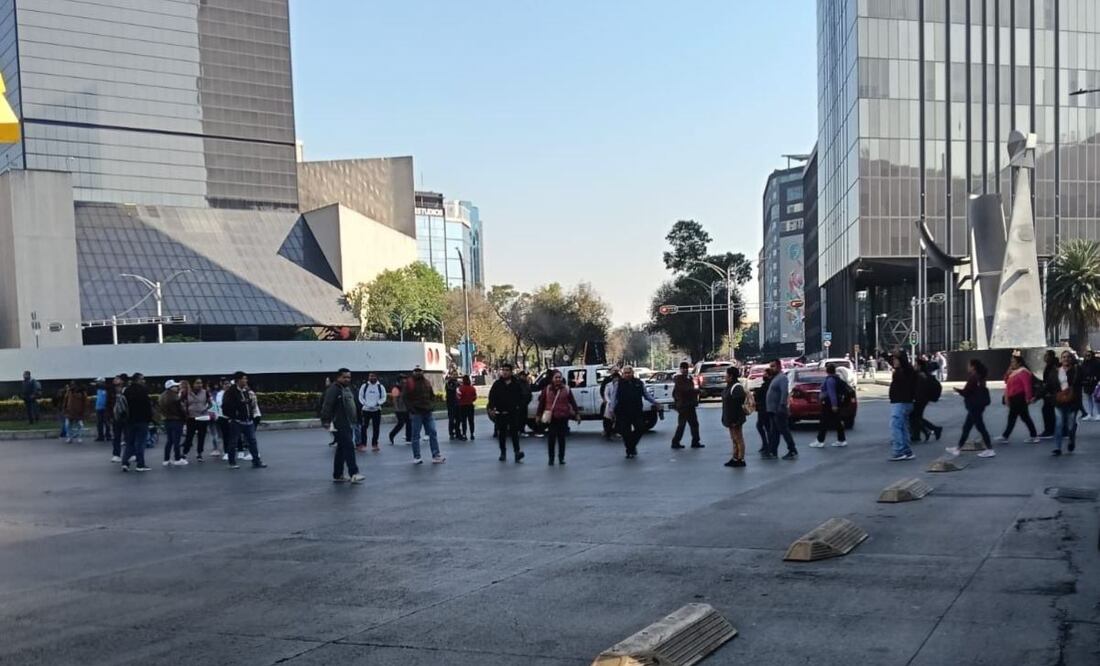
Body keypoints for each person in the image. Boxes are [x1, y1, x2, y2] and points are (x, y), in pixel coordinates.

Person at [321, 368, 365, 484]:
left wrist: (359, 419)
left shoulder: (348, 388)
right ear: (338, 377)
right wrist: (326, 420)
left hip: (348, 422)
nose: (347, 379)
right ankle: (354, 473)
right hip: (338, 423)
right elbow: (327, 405)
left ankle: (338, 474)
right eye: (344, 377)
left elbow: (354, 404)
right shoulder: (333, 389)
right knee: (349, 446)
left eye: (349, 377)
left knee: (341, 448)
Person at [607, 365, 661, 459]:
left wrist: (655, 402)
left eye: (629, 373)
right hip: (623, 411)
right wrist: (611, 409)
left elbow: (646, 395)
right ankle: (630, 450)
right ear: (622, 374)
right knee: (625, 433)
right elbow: (614, 397)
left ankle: (632, 446)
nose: (627, 375)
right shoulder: (618, 384)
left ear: (632, 373)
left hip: (636, 411)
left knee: (640, 428)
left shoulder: (638, 383)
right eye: (625, 373)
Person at [946, 359, 993, 458]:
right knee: (967, 427)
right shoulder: (981, 377)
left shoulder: (973, 377)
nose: (967, 367)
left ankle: (990, 449)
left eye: (969, 365)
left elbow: (966, 392)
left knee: (980, 427)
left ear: (973, 367)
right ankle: (958, 448)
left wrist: (957, 390)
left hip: (974, 406)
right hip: (978, 406)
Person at [221, 371, 266, 469]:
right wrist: (234, 414)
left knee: (252, 441)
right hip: (237, 421)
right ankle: (232, 462)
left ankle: (256, 461)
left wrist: (250, 411)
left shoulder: (246, 391)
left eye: (246, 379)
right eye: (244, 379)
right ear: (238, 380)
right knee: (233, 441)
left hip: (248, 420)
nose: (246, 381)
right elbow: (225, 407)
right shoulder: (230, 392)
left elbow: (248, 404)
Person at [536, 370, 580, 465]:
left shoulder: (566, 389)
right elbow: (541, 403)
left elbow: (572, 401)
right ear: (552, 379)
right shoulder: (547, 389)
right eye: (556, 377)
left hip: (563, 417)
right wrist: (538, 415)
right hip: (552, 418)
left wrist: (577, 413)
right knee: (551, 438)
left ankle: (561, 458)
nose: (558, 379)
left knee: (562, 438)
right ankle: (551, 458)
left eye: (559, 377)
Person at [488, 363, 527, 462]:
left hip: (513, 413)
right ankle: (503, 453)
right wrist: (491, 408)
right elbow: (492, 397)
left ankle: (517, 452)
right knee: (502, 434)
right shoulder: (497, 384)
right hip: (501, 413)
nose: (504, 372)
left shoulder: (516, 384)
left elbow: (524, 396)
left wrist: (519, 406)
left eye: (507, 370)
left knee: (514, 433)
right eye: (503, 370)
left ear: (511, 371)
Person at [406, 366, 445, 464]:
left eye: (419, 371)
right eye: (416, 371)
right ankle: (417, 457)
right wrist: (412, 410)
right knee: (416, 435)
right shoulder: (410, 383)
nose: (418, 372)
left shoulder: (426, 382)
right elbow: (405, 398)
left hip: (427, 412)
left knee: (433, 432)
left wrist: (432, 405)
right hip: (417, 413)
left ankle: (436, 455)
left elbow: (432, 395)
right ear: (413, 372)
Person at [999, 355, 1039, 443]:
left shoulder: (1023, 372)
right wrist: (1008, 372)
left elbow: (1027, 386)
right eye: (1011, 362)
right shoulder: (1014, 372)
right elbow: (1006, 380)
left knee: (1015, 417)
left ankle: (1006, 436)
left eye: (1013, 362)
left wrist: (1028, 398)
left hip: (1019, 397)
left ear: (1019, 363)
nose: (1011, 363)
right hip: (1014, 398)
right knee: (1023, 417)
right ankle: (1033, 435)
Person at [765, 360, 798, 460]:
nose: (771, 368)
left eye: (773, 366)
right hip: (773, 410)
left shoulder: (782, 378)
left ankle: (792, 450)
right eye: (770, 366)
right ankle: (773, 452)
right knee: (774, 432)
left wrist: (782, 405)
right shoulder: (775, 378)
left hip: (779, 410)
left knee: (784, 430)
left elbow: (784, 393)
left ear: (779, 366)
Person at [810, 362, 849, 448]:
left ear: (827, 370)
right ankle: (841, 440)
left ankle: (820, 441)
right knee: (837, 422)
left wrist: (834, 405)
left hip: (829, 403)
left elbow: (832, 393)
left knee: (824, 422)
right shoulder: (836, 378)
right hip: (833, 403)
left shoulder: (830, 380)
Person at [119, 373, 152, 472]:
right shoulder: (143, 391)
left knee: (130, 443)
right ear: (138, 380)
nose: (144, 381)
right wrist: (150, 419)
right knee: (140, 443)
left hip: (129, 421)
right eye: (142, 379)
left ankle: (125, 463)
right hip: (142, 420)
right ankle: (140, 464)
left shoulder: (127, 391)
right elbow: (147, 406)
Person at [887, 352, 917, 461]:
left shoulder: (907, 370)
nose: (893, 362)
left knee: (895, 425)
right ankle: (906, 451)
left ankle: (898, 451)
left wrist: (899, 355)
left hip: (901, 402)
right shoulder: (901, 370)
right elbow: (890, 360)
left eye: (896, 360)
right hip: (902, 402)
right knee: (903, 427)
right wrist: (884, 353)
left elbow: (904, 363)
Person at [1052, 350, 1081, 456]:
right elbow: (1050, 385)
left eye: (1068, 357)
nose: (1065, 359)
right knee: (1058, 424)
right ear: (1061, 359)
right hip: (1059, 402)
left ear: (1071, 358)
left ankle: (1071, 440)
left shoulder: (1076, 370)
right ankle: (1057, 447)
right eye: (1063, 357)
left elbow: (1079, 385)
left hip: (1072, 403)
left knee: (1070, 426)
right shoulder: (1056, 371)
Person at [670, 361, 703, 449]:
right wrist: (697, 391)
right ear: (680, 369)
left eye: (686, 368)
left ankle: (695, 441)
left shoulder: (688, 378)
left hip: (689, 405)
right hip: (683, 405)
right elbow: (685, 390)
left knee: (693, 424)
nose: (685, 370)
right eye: (683, 368)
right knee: (682, 424)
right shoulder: (679, 379)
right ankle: (675, 442)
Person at [911, 357, 943, 442]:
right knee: (916, 417)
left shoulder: (921, 375)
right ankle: (917, 435)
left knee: (914, 417)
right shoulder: (922, 374)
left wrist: (915, 399)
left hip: (920, 400)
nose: (914, 366)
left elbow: (919, 390)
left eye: (916, 364)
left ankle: (934, 429)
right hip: (923, 399)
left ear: (919, 366)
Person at [721, 366, 747, 468]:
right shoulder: (729, 386)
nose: (725, 376)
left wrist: (736, 420)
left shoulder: (736, 387)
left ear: (731, 376)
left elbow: (738, 405)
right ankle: (735, 457)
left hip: (735, 419)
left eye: (726, 374)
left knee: (738, 438)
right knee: (734, 438)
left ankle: (741, 459)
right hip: (730, 418)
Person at [182, 377, 213, 462]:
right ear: (193, 384)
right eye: (197, 383)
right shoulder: (186, 393)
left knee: (201, 436)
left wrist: (205, 409)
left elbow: (210, 404)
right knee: (189, 436)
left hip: (202, 417)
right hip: (191, 417)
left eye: (201, 383)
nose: (199, 385)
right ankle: (185, 453)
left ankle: (200, 453)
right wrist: (186, 411)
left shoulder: (205, 392)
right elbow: (182, 404)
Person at [159, 380, 187, 466]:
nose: (177, 387)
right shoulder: (175, 397)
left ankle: (166, 459)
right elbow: (181, 410)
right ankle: (177, 459)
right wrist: (185, 418)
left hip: (167, 420)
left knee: (169, 440)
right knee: (176, 441)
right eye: (175, 386)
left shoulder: (162, 396)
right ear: (171, 388)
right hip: (176, 420)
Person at [358, 372, 386, 452]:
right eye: (370, 376)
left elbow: (384, 397)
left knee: (376, 428)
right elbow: (360, 396)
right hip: (366, 410)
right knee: (364, 427)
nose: (371, 377)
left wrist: (378, 403)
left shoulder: (380, 387)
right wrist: (365, 403)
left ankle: (375, 444)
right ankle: (363, 444)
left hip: (376, 410)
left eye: (373, 376)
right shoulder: (364, 386)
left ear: (376, 377)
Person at [754, 366, 775, 455]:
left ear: (769, 375)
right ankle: (767, 444)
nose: (763, 375)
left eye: (765, 374)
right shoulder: (767, 384)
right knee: (763, 426)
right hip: (763, 408)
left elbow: (760, 394)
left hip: (765, 409)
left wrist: (756, 393)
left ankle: (768, 445)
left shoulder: (768, 384)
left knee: (764, 426)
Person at [1039, 350, 1058, 438]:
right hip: (1049, 392)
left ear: (1050, 357)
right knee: (1049, 410)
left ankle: (1049, 430)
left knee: (1047, 410)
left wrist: (1049, 391)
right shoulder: (1049, 366)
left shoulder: (1052, 367)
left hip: (1051, 393)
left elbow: (1052, 381)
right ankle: (1051, 430)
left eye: (1046, 355)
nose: (1044, 357)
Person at [388, 374, 412, 445]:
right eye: (402, 379)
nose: (404, 381)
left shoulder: (407, 388)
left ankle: (409, 438)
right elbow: (395, 400)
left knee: (409, 423)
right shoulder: (396, 389)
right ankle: (392, 434)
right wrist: (397, 409)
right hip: (399, 410)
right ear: (399, 380)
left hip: (407, 409)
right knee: (401, 423)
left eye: (405, 379)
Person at [109, 375, 126, 462]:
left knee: (128, 436)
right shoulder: (111, 391)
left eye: (117, 379)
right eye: (115, 379)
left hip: (125, 416)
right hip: (115, 416)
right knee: (116, 436)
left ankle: (131, 454)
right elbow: (108, 404)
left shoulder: (126, 390)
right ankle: (116, 454)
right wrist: (109, 416)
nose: (115, 380)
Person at [600, 367, 621, 440]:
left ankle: (617, 431)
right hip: (608, 402)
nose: (615, 371)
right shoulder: (607, 381)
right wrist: (606, 400)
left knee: (618, 417)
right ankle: (607, 431)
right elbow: (604, 391)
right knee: (607, 418)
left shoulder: (621, 381)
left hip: (618, 403)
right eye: (614, 370)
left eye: (617, 370)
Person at [1079, 350, 1100, 421]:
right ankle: (1090, 414)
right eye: (1086, 355)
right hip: (1086, 383)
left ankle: (1098, 413)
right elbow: (1081, 372)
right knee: (1089, 399)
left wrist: (1097, 379)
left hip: (1095, 383)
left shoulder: (1096, 363)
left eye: (1089, 355)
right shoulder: (1084, 364)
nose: (1087, 357)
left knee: (1096, 399)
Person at [214, 378, 232, 458]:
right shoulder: (220, 394)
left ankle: (237, 451)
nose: (227, 385)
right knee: (225, 435)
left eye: (228, 383)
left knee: (234, 435)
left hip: (232, 417)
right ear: (222, 385)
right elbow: (218, 405)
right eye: (225, 384)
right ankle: (227, 452)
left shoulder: (233, 393)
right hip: (223, 417)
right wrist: (217, 416)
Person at [458, 375, 477, 439]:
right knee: (471, 421)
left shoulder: (460, 388)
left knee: (464, 421)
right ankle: (472, 434)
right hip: (470, 405)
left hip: (462, 406)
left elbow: (458, 397)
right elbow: (474, 397)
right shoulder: (472, 388)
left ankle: (464, 435)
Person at [445, 372, 462, 440]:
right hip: (451, 404)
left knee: (458, 419)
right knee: (451, 419)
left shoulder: (457, 383)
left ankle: (458, 432)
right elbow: (450, 390)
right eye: (454, 375)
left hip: (457, 403)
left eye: (456, 375)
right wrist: (456, 386)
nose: (455, 376)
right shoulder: (449, 383)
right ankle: (451, 433)